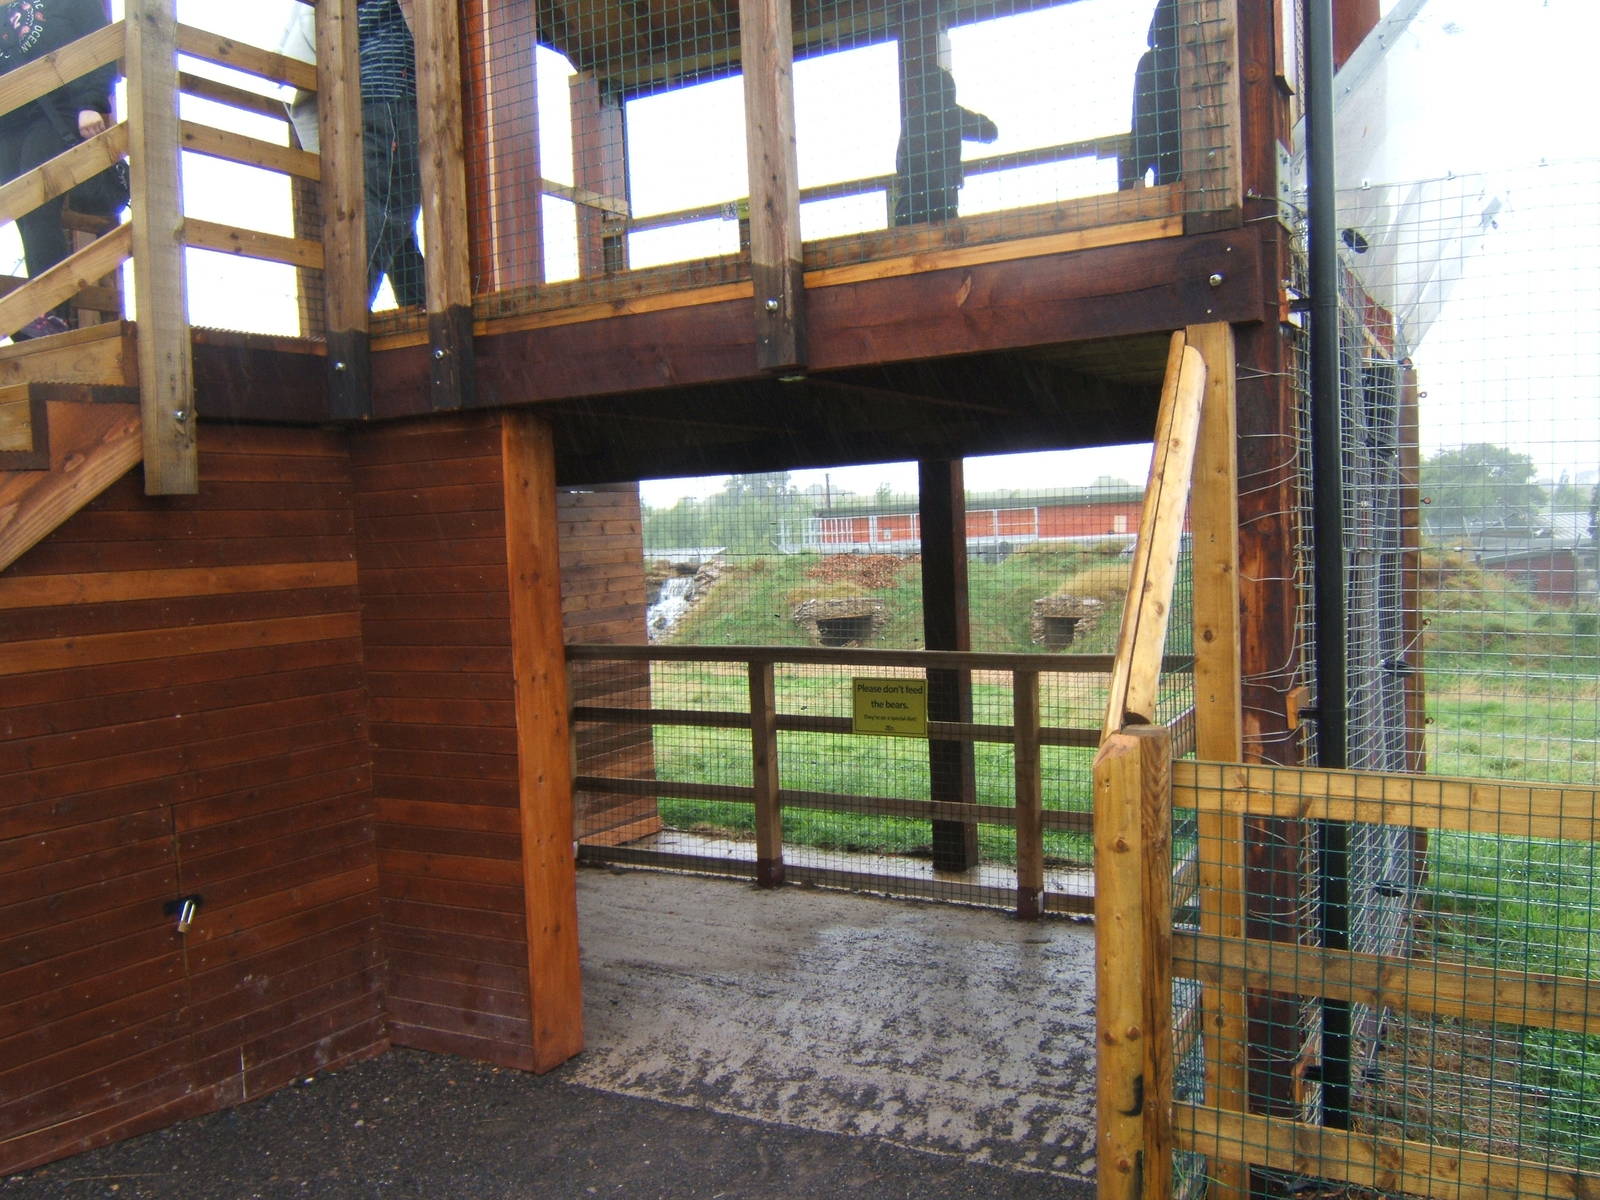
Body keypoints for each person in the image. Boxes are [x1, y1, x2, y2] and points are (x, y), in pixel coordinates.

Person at [0, 0, 117, 341]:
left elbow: (98, 43)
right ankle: (39, 312)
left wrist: (90, 104)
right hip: (8, 120)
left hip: (56, 111)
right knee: (20, 212)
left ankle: (48, 313)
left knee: (37, 206)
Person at [358, 0, 426, 309]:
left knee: (388, 209)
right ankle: (351, 310)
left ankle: (417, 305)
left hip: (368, 94)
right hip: (394, 94)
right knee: (392, 209)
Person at [892, 32, 998, 227]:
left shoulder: (913, 119)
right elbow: (990, 132)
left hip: (908, 210)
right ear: (947, 88)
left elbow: (901, 164)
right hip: (942, 206)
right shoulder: (951, 114)